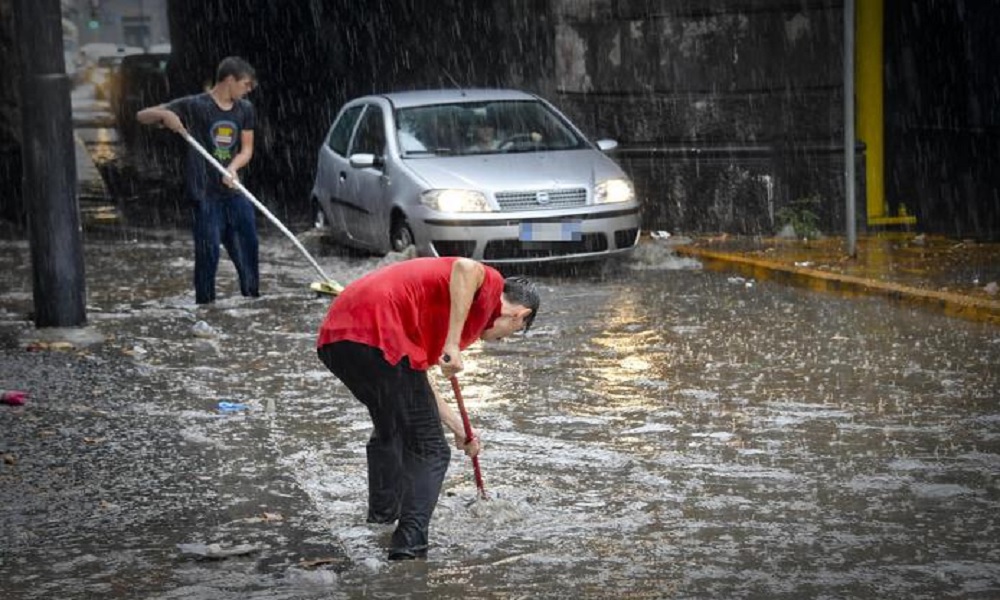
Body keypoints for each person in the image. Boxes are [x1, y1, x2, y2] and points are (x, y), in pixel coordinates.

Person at [316, 257, 539, 560]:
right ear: (519, 316)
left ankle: (381, 522)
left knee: (391, 428)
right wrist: (452, 344)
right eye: (511, 333)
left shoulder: (450, 314)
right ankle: (409, 549)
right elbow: (465, 267)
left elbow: (416, 384)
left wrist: (459, 428)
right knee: (432, 450)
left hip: (339, 339)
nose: (499, 340)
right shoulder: (490, 287)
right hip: (378, 331)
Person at [136, 56, 259, 305]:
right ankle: (206, 306)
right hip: (204, 194)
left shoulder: (245, 109)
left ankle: (252, 301)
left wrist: (233, 169)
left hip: (234, 192)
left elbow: (246, 150)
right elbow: (142, 116)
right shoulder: (194, 105)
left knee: (248, 248)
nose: (248, 90)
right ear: (229, 79)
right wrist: (164, 115)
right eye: (246, 84)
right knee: (208, 252)